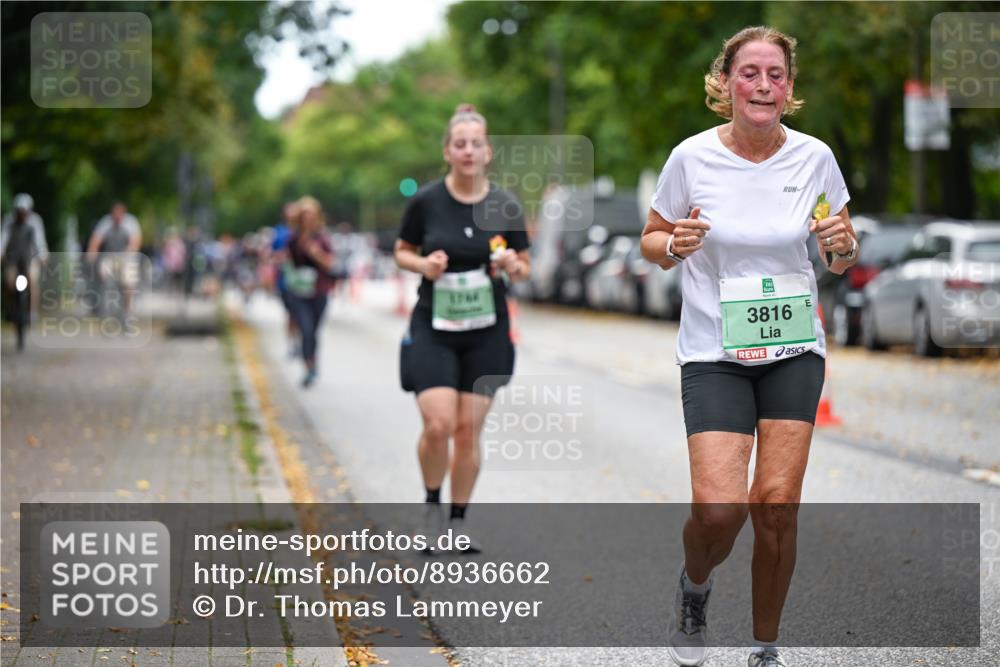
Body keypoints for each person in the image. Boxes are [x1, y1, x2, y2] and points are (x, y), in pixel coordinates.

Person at [639, 26, 859, 667]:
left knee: (776, 507)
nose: (763, 85)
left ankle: (765, 647)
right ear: (725, 83)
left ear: (788, 88)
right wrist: (673, 244)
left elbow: (840, 253)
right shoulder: (692, 159)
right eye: (749, 73)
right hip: (713, 353)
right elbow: (652, 239)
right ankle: (695, 587)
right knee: (718, 511)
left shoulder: (815, 158)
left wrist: (843, 247)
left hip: (794, 349)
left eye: (776, 74)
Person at [393, 104, 530, 553]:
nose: (468, 151)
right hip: (433, 324)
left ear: (488, 152)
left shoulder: (505, 204)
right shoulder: (427, 201)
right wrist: (423, 265)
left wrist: (512, 263)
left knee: (468, 431)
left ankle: (457, 522)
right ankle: (431, 506)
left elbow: (525, 267)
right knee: (438, 425)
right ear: (448, 151)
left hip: (486, 330)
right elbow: (402, 251)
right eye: (460, 144)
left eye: (476, 144)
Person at [285, 196, 335, 388]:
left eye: (311, 214)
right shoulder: (293, 238)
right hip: (298, 291)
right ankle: (308, 366)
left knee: (313, 331)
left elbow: (330, 263)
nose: (308, 218)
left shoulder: (322, 237)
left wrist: (316, 253)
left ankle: (314, 363)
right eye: (304, 214)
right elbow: (289, 261)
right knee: (305, 329)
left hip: (319, 290)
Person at [87, 202, 143, 318]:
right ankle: (103, 307)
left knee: (128, 283)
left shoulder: (131, 222)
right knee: (103, 275)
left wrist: (130, 251)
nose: (117, 217)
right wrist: (92, 252)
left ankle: (127, 311)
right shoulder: (106, 222)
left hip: (127, 256)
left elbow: (136, 240)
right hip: (110, 256)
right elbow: (96, 239)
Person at [1, 193, 49, 323]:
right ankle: (10, 308)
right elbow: (3, 240)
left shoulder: (35, 221)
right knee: (9, 283)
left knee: (32, 281)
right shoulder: (9, 221)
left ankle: (32, 312)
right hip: (13, 258)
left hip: (30, 258)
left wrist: (43, 256)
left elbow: (39, 241)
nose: (22, 215)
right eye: (19, 212)